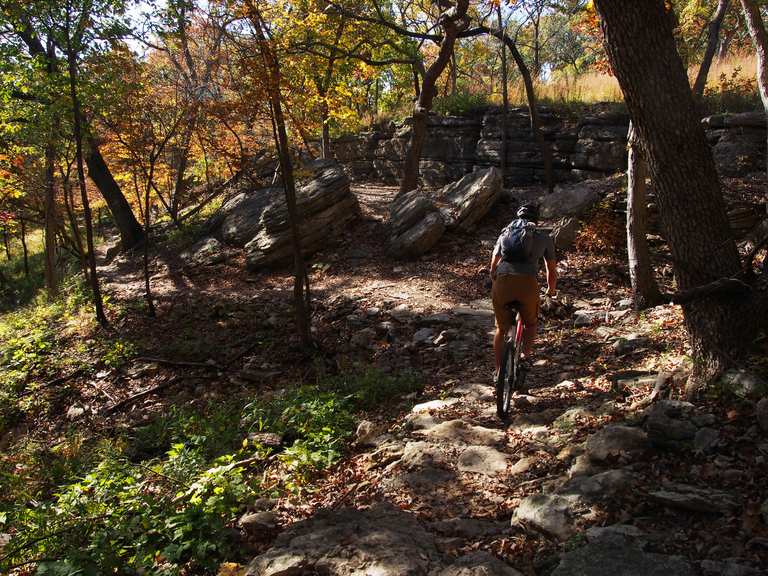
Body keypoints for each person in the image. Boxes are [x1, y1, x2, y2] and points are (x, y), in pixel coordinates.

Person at [490, 204, 557, 377]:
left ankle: (498, 372)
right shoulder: (543, 237)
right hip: (527, 283)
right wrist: (550, 290)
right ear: (536, 219)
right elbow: (551, 269)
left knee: (501, 329)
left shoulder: (505, 233)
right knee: (531, 324)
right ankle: (524, 357)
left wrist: (494, 279)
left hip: (503, 281)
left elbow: (493, 264)